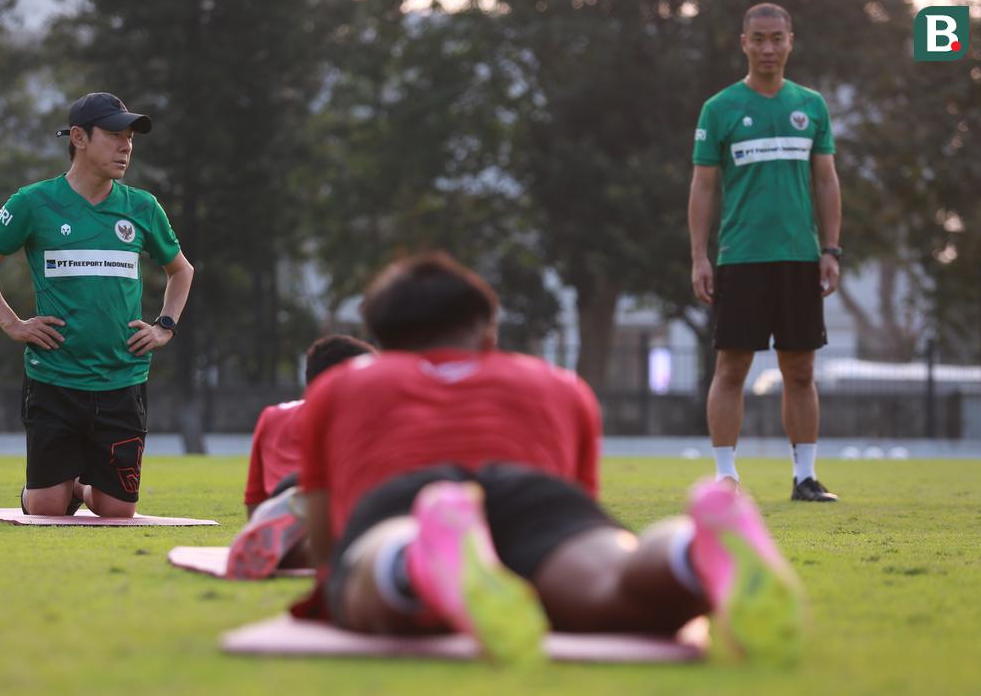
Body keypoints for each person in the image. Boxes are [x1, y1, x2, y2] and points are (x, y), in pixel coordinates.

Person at [294, 252, 803, 664]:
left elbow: (325, 538)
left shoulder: (343, 385)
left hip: (404, 497)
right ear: (488, 336)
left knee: (377, 572)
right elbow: (578, 509)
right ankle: (691, 550)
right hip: (534, 495)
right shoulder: (558, 385)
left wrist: (342, 574)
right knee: (615, 585)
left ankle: (418, 557)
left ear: (382, 341)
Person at [0, 92, 194, 517]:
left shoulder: (142, 207)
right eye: (113, 135)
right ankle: (57, 490)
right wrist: (13, 324)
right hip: (54, 379)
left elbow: (182, 271)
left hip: (122, 379)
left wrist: (164, 326)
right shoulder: (33, 202)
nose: (125, 146)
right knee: (46, 507)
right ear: (78, 138)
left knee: (116, 512)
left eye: (129, 138)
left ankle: (83, 489)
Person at [688, 3, 842, 501]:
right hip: (740, 257)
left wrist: (831, 248)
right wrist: (699, 256)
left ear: (791, 41)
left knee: (800, 371)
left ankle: (805, 477)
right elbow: (704, 188)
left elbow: (825, 180)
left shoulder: (811, 105)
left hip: (799, 257)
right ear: (744, 43)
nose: (769, 47)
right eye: (759, 38)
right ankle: (726, 477)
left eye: (777, 37)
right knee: (731, 368)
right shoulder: (720, 108)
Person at [227, 334, 377, 579]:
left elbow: (254, 499)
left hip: (280, 502)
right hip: (325, 498)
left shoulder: (273, 414)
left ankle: (287, 539)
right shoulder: (363, 419)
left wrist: (259, 522)